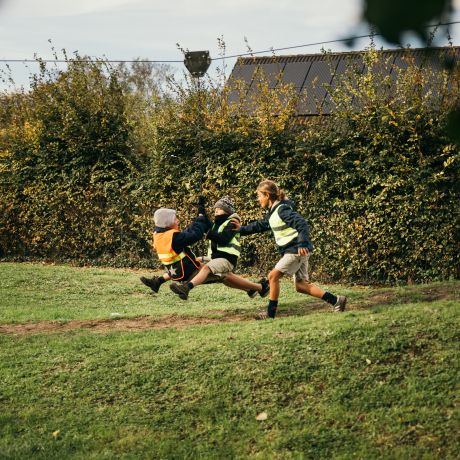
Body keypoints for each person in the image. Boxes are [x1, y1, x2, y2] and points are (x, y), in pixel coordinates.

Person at [233, 180, 347, 319]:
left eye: (259, 196)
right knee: (301, 286)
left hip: (295, 250)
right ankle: (336, 300)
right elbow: (261, 225)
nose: (258, 199)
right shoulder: (274, 211)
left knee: (273, 276)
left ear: (267, 195)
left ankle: (270, 314)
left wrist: (303, 243)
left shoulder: (282, 210)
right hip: (296, 250)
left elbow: (301, 223)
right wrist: (241, 230)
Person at [169, 196, 269, 300]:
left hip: (227, 258)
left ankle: (187, 287)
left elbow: (224, 239)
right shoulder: (217, 224)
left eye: (219, 209)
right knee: (221, 276)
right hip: (216, 258)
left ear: (227, 211)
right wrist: (201, 207)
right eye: (215, 209)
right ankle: (252, 289)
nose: (216, 210)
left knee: (206, 268)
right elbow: (204, 221)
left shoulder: (232, 223)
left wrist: (208, 233)